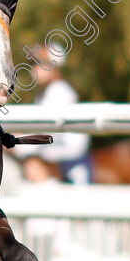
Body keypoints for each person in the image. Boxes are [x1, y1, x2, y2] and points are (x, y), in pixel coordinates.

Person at [16, 43, 91, 184]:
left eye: (39, 63)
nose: (34, 68)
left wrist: (15, 142)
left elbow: (46, 134)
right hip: (55, 155)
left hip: (66, 162)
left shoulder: (59, 92)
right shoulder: (45, 92)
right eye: (32, 63)